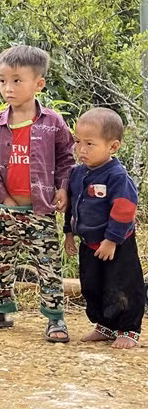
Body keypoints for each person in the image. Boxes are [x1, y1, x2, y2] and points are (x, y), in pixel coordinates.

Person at [0, 45, 75, 342]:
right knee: (1, 260)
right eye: (3, 80)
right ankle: (0, 311)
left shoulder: (53, 123)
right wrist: (3, 198)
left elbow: (66, 159)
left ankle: (55, 319)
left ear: (38, 84)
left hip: (41, 209)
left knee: (49, 264)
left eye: (17, 80)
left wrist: (63, 189)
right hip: (7, 210)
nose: (8, 87)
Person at [64, 107, 144, 349]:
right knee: (91, 284)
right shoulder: (77, 174)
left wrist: (112, 240)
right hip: (89, 243)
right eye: (78, 142)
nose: (81, 150)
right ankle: (104, 325)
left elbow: (124, 209)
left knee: (122, 284)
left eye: (90, 144)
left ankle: (129, 329)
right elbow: (73, 204)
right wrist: (69, 233)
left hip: (117, 244)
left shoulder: (117, 176)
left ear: (113, 147)